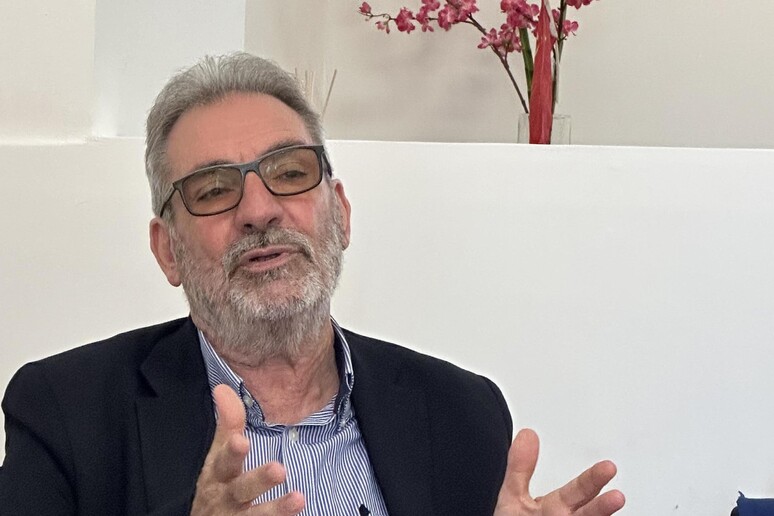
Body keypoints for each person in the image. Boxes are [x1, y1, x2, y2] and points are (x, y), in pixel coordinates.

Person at [0, 52, 625, 515]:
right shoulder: (67, 414)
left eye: (291, 173)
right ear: (168, 252)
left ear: (341, 214)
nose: (259, 209)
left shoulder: (461, 412)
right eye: (213, 189)